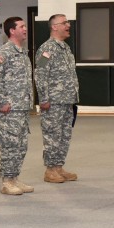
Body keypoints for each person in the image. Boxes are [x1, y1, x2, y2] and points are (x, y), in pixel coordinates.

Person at [0, 17, 35, 196]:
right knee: (9, 143)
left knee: (21, 144)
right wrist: (2, 100)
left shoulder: (22, 53)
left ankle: (15, 177)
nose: (25, 29)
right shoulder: (3, 53)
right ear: (12, 31)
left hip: (22, 107)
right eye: (22, 26)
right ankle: (7, 181)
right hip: (10, 108)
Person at [34, 14, 80, 184]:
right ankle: (50, 170)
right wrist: (44, 98)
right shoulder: (47, 49)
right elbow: (40, 75)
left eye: (68, 22)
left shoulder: (65, 48)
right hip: (53, 101)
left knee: (64, 135)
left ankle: (59, 167)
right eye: (64, 23)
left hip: (67, 100)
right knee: (52, 136)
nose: (68, 25)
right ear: (54, 27)